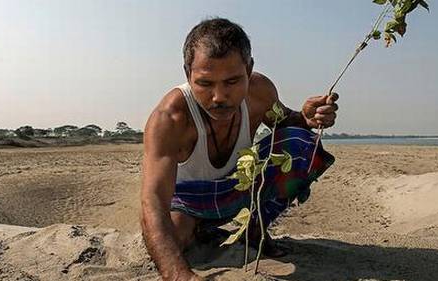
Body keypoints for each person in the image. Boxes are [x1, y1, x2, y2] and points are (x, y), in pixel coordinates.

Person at [140, 17, 339, 281]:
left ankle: (254, 231)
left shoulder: (261, 92)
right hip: (188, 200)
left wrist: (306, 118)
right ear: (188, 74)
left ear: (249, 69)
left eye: (232, 81)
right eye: (205, 84)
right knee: (175, 240)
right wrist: (179, 276)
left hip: (238, 189)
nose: (219, 97)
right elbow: (152, 200)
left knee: (303, 143)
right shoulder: (170, 118)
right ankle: (201, 228)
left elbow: (287, 122)